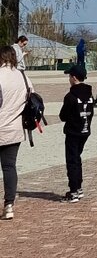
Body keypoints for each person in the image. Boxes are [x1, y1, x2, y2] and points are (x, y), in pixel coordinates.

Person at [0, 44, 33, 220]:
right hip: (15, 128)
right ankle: (9, 204)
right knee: (9, 167)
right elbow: (31, 97)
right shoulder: (23, 76)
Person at [59, 63, 94, 202]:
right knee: (77, 159)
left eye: (69, 76)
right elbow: (91, 113)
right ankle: (78, 187)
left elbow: (63, 116)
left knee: (72, 161)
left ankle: (74, 191)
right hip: (85, 131)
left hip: (73, 132)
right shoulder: (89, 94)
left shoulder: (71, 96)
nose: (69, 79)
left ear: (74, 78)